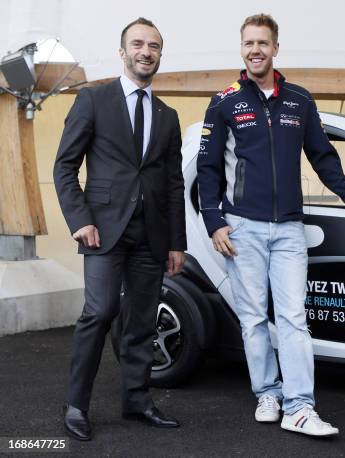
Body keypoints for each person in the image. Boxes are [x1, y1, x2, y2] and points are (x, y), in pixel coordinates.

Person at [197, 13, 345, 437]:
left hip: (290, 229)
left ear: (276, 48)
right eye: (248, 43)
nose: (255, 49)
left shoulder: (300, 100)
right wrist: (215, 222)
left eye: (262, 42)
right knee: (254, 319)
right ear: (241, 49)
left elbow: (322, 156)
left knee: (294, 318)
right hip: (242, 229)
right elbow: (207, 168)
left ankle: (299, 406)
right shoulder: (224, 102)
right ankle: (267, 393)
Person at [53, 17, 186, 441]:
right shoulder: (93, 101)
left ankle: (136, 400)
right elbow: (65, 166)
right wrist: (80, 220)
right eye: (138, 44)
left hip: (152, 236)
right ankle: (76, 404)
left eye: (154, 46)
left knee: (143, 321)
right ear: (122, 51)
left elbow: (172, 184)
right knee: (100, 311)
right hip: (102, 230)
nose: (146, 52)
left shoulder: (168, 116)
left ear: (160, 55)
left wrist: (176, 243)